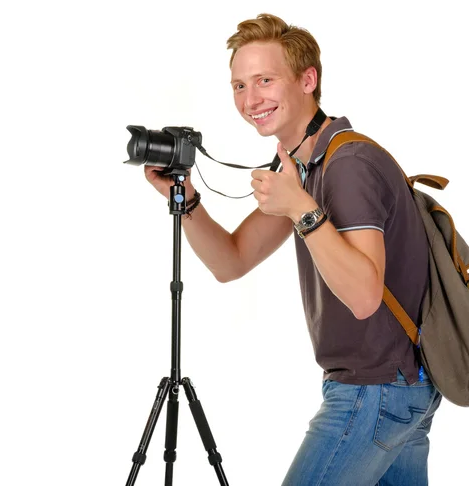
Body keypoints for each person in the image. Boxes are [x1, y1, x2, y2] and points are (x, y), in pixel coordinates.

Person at [145, 13, 442, 486]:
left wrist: (301, 209)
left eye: (265, 80)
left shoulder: (348, 164)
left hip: (375, 390)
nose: (250, 99)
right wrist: (186, 203)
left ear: (308, 80)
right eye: (239, 85)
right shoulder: (302, 165)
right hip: (396, 388)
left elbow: (365, 295)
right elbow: (231, 260)